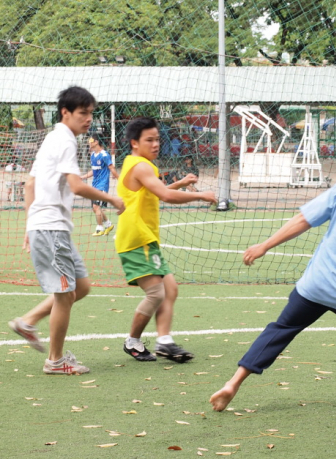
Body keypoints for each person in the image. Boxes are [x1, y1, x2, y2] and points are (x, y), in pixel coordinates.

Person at [209, 144, 336, 413]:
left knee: (280, 329)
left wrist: (264, 246)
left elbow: (303, 220)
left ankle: (233, 383)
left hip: (315, 286)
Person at [8, 86, 125, 374]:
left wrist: (29, 225)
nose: (88, 119)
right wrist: (110, 197)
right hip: (50, 228)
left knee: (80, 287)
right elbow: (75, 185)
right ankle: (55, 361)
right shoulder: (65, 140)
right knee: (65, 295)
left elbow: (31, 184)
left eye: (90, 113)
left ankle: (27, 321)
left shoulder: (53, 138)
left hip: (50, 227)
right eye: (83, 113)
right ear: (66, 113)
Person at [116, 117, 216, 362]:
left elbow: (157, 193)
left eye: (157, 139)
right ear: (134, 143)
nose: (156, 144)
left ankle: (164, 341)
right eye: (149, 140)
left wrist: (180, 183)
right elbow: (165, 196)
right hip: (137, 239)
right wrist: (201, 195)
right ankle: (133, 341)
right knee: (156, 294)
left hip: (145, 239)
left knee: (169, 289)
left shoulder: (136, 164)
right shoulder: (141, 166)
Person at [81, 135, 119, 236]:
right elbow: (93, 171)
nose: (89, 142)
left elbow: (111, 167)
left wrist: (118, 178)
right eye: (89, 140)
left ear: (96, 142)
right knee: (95, 208)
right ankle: (108, 224)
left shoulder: (104, 155)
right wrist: (82, 177)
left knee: (96, 207)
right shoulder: (93, 155)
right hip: (95, 185)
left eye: (91, 140)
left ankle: (99, 228)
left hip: (102, 186)